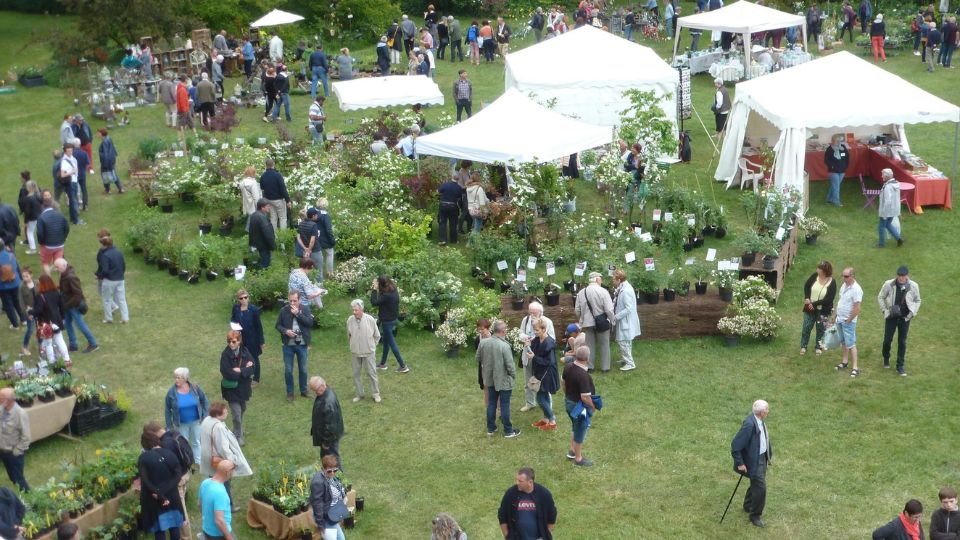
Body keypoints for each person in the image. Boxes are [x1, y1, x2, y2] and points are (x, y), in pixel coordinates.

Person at [199, 402, 252, 505]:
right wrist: (232, 461)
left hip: (208, 457)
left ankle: (212, 501)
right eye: (224, 411)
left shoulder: (206, 420)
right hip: (218, 460)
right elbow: (223, 448)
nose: (227, 412)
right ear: (219, 414)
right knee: (224, 482)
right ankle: (228, 505)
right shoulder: (218, 427)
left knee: (213, 481)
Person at [731, 399, 772, 528]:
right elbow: (736, 445)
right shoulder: (749, 424)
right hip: (753, 462)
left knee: (756, 484)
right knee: (761, 489)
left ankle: (748, 506)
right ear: (761, 412)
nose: (768, 411)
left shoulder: (760, 421)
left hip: (761, 459)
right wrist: (740, 463)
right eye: (767, 409)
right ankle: (755, 515)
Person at [137, 428, 184, 540]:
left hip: (155, 500)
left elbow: (146, 481)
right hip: (172, 497)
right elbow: (177, 477)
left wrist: (159, 494)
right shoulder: (170, 454)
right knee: (174, 528)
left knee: (159, 531)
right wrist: (165, 492)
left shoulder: (144, 458)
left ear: (145, 445)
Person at [878, 265, 922, 376]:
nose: (901, 278)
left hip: (905, 318)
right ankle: (886, 357)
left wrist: (912, 313)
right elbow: (881, 297)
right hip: (891, 317)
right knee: (887, 340)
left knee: (902, 342)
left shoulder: (914, 286)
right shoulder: (889, 284)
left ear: (907, 275)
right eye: (899, 276)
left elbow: (918, 300)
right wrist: (884, 311)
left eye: (903, 276)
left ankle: (900, 366)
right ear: (897, 275)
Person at [479, 320, 520, 438]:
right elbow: (510, 366)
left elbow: (478, 357)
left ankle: (491, 428)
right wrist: (513, 375)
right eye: (506, 329)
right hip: (504, 380)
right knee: (505, 404)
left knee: (491, 402)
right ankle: (508, 431)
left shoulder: (484, 343)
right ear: (503, 331)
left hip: (490, 378)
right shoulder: (505, 346)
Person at [164, 367, 208, 465]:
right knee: (183, 443)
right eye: (175, 377)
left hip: (196, 421)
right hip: (181, 423)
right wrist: (169, 426)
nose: (176, 380)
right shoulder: (171, 392)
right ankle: (187, 461)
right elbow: (167, 410)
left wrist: (204, 416)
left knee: (196, 441)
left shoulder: (195, 388)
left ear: (185, 378)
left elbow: (204, 400)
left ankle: (198, 460)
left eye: (179, 378)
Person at [497, 467, 557, 540]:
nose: (517, 483)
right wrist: (507, 537)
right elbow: (502, 516)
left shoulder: (544, 494)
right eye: (517, 480)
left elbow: (552, 516)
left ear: (530, 482)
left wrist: (545, 535)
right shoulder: (511, 494)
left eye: (520, 481)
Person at [54, 258, 98, 354]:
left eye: (57, 267)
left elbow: (78, 294)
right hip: (67, 305)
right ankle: (73, 345)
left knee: (80, 324)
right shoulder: (63, 274)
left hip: (73, 305)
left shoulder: (71, 277)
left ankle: (93, 343)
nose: (56, 269)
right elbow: (65, 289)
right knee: (68, 324)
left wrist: (68, 305)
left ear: (64, 266)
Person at [276, 291, 314, 402]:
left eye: (295, 301)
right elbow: (278, 325)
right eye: (290, 300)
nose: (292, 302)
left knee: (303, 369)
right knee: (288, 370)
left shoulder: (305, 309)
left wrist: (298, 314)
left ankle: (304, 390)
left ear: (299, 300)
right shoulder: (283, 311)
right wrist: (286, 331)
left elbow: (310, 323)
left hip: (302, 345)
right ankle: (290, 392)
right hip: (288, 345)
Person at [518, 302, 555, 413]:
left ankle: (548, 405)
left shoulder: (547, 322)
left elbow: (552, 339)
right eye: (530, 312)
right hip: (528, 355)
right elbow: (520, 333)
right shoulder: (525, 320)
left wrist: (535, 340)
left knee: (543, 382)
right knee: (528, 381)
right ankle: (530, 403)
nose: (531, 314)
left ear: (540, 312)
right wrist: (525, 337)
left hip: (541, 357)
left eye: (534, 312)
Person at [563, 346, 596, 466]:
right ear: (587, 358)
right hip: (579, 407)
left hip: (568, 402)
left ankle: (572, 450)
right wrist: (592, 407)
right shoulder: (583, 376)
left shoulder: (568, 367)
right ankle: (578, 459)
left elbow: (564, 383)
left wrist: (567, 395)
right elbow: (585, 397)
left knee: (574, 426)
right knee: (581, 430)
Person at [575, 272, 614, 371]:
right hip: (602, 322)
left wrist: (581, 319)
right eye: (600, 278)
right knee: (604, 345)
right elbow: (609, 309)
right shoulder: (603, 291)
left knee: (589, 346)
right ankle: (605, 368)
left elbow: (577, 310)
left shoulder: (581, 292)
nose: (601, 280)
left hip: (587, 323)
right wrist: (611, 320)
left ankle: (589, 366)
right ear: (597, 279)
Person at [220, 330, 254, 445]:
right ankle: (238, 436)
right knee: (236, 413)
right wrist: (244, 372)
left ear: (239, 341)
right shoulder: (225, 354)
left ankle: (236, 430)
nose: (231, 344)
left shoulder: (245, 352)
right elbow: (226, 372)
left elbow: (252, 367)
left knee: (242, 409)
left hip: (244, 388)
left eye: (233, 341)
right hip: (231, 390)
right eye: (229, 341)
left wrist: (240, 370)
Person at [347, 299, 382, 403]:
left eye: (356, 310)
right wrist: (352, 346)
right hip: (355, 353)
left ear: (362, 309)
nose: (354, 312)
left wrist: (371, 347)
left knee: (372, 373)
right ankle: (359, 394)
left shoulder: (370, 319)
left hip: (368, 352)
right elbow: (348, 335)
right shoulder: (350, 320)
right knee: (356, 374)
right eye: (353, 310)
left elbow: (377, 336)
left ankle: (376, 394)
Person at [371, 276, 409, 373]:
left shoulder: (386, 296)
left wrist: (374, 289)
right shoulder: (393, 291)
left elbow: (374, 302)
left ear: (381, 284)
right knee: (386, 343)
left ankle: (403, 366)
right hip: (392, 319)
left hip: (387, 321)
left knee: (392, 344)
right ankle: (383, 364)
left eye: (378, 283)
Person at [528, 319, 559, 431]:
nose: (534, 332)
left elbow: (548, 362)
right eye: (534, 330)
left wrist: (534, 357)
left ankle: (552, 420)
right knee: (544, 396)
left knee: (540, 398)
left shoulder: (549, 343)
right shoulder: (537, 340)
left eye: (537, 330)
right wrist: (528, 345)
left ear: (544, 329)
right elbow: (534, 350)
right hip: (539, 372)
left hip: (547, 374)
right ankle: (546, 419)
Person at [800, 261, 836, 356]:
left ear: (824, 271)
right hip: (810, 307)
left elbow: (829, 298)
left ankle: (818, 347)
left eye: (819, 268)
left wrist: (815, 303)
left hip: (823, 310)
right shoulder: (815, 276)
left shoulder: (832, 282)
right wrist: (807, 297)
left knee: (821, 329)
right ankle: (803, 346)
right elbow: (807, 286)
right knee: (806, 327)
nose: (817, 269)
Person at [33, 274, 70, 365]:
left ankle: (52, 361)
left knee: (48, 342)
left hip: (45, 322)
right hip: (57, 320)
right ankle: (67, 359)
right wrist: (62, 318)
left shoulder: (40, 296)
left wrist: (30, 312)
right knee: (60, 340)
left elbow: (39, 310)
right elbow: (62, 307)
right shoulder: (56, 292)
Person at [309, 454, 347, 540]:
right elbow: (317, 504)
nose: (333, 473)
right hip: (325, 518)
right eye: (330, 471)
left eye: (335, 470)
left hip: (332, 515)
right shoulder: (318, 482)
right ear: (323, 469)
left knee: (341, 538)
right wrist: (321, 524)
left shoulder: (330, 477)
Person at [230, 289, 264, 384]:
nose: (244, 300)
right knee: (241, 357)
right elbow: (232, 319)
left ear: (248, 298)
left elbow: (259, 326)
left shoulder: (253, 310)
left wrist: (261, 341)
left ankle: (256, 378)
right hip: (240, 338)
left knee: (254, 358)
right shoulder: (236, 308)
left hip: (252, 338)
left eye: (246, 297)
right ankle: (245, 375)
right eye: (241, 298)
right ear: (238, 299)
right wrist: (235, 328)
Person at [835, 267, 863, 377]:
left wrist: (849, 320)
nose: (844, 278)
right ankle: (844, 362)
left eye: (846, 276)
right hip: (840, 319)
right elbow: (840, 302)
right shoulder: (843, 286)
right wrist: (835, 315)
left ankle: (855, 367)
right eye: (843, 276)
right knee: (843, 342)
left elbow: (857, 308)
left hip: (848, 321)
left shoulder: (856, 289)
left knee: (851, 343)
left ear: (852, 276)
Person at [309, 376, 344, 467]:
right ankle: (330, 478)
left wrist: (326, 442)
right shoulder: (325, 392)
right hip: (326, 436)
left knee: (332, 461)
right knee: (328, 460)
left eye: (316, 390)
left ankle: (339, 479)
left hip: (329, 439)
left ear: (322, 385)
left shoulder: (328, 402)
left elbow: (330, 426)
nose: (315, 393)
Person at [0, 388, 30, 491]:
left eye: (1, 398)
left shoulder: (20, 413)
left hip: (14, 453)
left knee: (19, 478)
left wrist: (17, 451)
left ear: (8, 400)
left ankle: (30, 499)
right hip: (3, 451)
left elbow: (26, 437)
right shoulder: (2, 409)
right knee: (12, 477)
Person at [611, 269, 640, 371]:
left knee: (623, 341)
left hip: (625, 321)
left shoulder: (626, 290)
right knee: (626, 341)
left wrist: (616, 316)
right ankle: (625, 359)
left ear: (619, 279)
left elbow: (629, 308)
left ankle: (630, 363)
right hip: (623, 320)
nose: (612, 281)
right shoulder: (622, 287)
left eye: (614, 279)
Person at [94, 235, 128, 323]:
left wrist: (99, 276)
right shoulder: (119, 252)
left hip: (109, 280)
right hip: (120, 279)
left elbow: (105, 270)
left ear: (104, 245)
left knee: (106, 299)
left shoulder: (105, 255)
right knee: (122, 299)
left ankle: (109, 318)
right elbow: (123, 266)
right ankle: (125, 318)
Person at [199, 460, 235, 540]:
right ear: (228, 472)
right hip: (219, 534)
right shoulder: (220, 493)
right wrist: (229, 538)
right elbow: (219, 520)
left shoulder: (205, 483)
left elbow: (200, 505)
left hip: (206, 529)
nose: (233, 473)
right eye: (233, 470)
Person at [259, 159, 291, 231]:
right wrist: (288, 200)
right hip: (279, 199)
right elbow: (283, 188)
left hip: (269, 200)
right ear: (273, 164)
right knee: (282, 218)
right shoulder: (277, 175)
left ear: (266, 165)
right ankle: (283, 237)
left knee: (273, 218)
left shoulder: (263, 176)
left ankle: (274, 236)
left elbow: (262, 188)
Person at [877, 168, 903, 247]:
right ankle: (899, 239)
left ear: (887, 176)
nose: (882, 176)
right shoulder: (896, 184)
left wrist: (884, 212)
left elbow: (888, 201)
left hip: (887, 210)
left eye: (883, 175)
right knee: (888, 224)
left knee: (881, 227)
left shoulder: (888, 187)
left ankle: (881, 244)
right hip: (894, 209)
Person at [248, 199, 276, 269]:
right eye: (267, 206)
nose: (269, 207)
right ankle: (264, 275)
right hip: (263, 245)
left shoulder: (253, 215)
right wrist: (272, 245)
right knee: (265, 264)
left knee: (258, 261)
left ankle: (258, 272)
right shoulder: (262, 217)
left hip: (255, 243)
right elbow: (267, 233)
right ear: (262, 207)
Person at [824, 134, 849, 207]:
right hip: (833, 171)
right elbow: (826, 160)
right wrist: (832, 166)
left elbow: (847, 158)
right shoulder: (829, 149)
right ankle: (836, 202)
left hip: (842, 171)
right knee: (836, 187)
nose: (838, 142)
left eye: (839, 141)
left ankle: (829, 199)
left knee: (835, 185)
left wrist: (845, 166)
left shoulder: (843, 148)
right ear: (832, 141)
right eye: (836, 141)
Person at [0, 242, 21, 330]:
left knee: (8, 305)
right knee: (18, 301)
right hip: (15, 282)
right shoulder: (11, 255)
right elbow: (17, 267)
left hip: (3, 286)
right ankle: (23, 319)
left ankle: (15, 324)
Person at [437, 176, 463, 245]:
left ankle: (442, 240)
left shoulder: (445, 184)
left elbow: (438, 191)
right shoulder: (459, 187)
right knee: (453, 223)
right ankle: (454, 240)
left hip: (443, 205)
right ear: (458, 179)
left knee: (442, 222)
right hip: (453, 206)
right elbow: (459, 198)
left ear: (452, 177)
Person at [18, 267, 36, 356]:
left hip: (39, 310)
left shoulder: (37, 283)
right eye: (23, 276)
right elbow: (21, 302)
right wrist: (27, 314)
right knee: (30, 330)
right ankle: (24, 347)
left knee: (40, 328)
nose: (25, 278)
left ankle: (42, 346)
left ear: (31, 275)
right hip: (30, 312)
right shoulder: (22, 287)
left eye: (26, 276)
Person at [97, 129, 122, 193]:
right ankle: (120, 188)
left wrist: (105, 163)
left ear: (101, 134)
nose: (97, 134)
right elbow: (113, 149)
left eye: (98, 133)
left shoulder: (104, 141)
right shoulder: (109, 138)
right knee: (113, 173)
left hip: (107, 161)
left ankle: (107, 190)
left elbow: (106, 153)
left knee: (105, 175)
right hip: (112, 159)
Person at [20, 179, 41, 255]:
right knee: (40, 232)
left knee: (30, 232)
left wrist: (25, 221)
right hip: (40, 216)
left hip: (32, 218)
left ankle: (32, 249)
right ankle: (42, 249)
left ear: (29, 188)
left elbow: (27, 212)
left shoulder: (28, 198)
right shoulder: (38, 195)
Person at [175, 75, 196, 141]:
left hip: (186, 109)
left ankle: (196, 136)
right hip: (183, 110)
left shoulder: (180, 87)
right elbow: (182, 101)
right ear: (185, 81)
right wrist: (184, 110)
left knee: (191, 123)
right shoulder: (182, 90)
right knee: (181, 125)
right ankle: (179, 139)